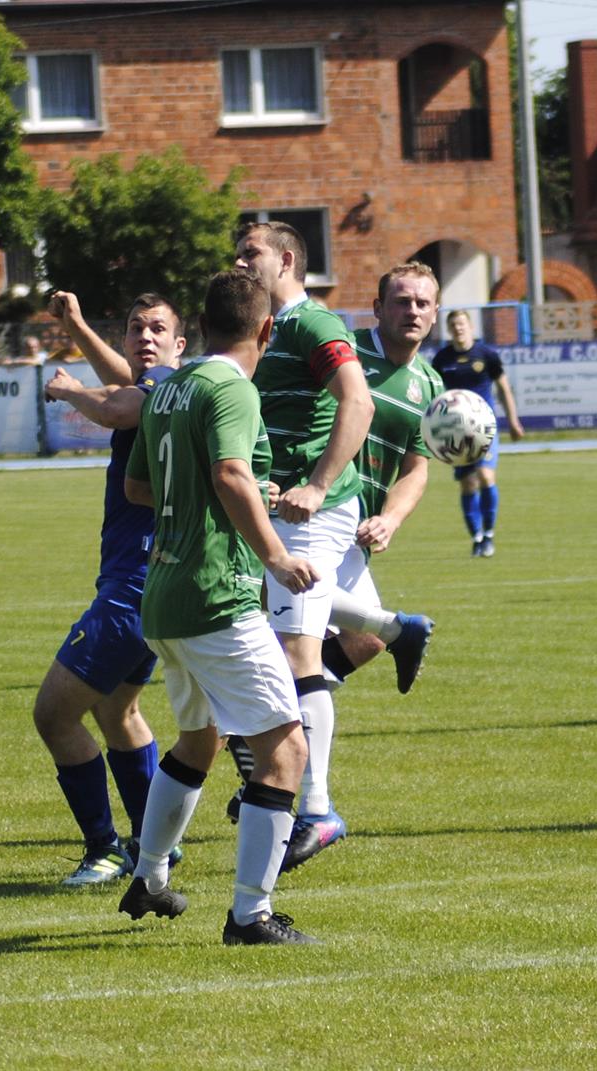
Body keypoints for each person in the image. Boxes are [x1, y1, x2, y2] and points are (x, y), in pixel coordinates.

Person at [119, 267, 321, 944]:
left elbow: (139, 486)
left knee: (200, 737)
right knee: (285, 749)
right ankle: (250, 915)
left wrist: (227, 494)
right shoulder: (232, 386)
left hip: (164, 597)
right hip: (215, 595)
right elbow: (231, 473)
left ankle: (148, 876)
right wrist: (276, 555)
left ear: (198, 326)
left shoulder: (168, 386)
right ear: (266, 329)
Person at [29, 290, 186, 885]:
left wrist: (69, 391)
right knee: (119, 711)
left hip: (133, 586)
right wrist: (77, 324)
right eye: (134, 328)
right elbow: (126, 385)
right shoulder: (160, 386)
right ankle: (157, 845)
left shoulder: (159, 391)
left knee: (54, 716)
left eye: (158, 329)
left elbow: (120, 407)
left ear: (179, 344)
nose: (144, 337)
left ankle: (106, 848)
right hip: (148, 577)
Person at [233, 220, 373, 869]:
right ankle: (271, 775)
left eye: (249, 253)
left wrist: (316, 485)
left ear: (286, 259)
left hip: (313, 513)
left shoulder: (314, 324)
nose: (238, 262)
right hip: (278, 508)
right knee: (263, 646)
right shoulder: (266, 332)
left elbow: (359, 402)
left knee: (294, 653)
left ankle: (315, 810)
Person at [324, 262, 446, 696]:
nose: (412, 311)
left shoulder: (430, 385)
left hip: (356, 532)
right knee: (365, 631)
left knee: (366, 637)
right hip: (317, 512)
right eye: (401, 302)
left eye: (422, 303)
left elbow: (417, 469)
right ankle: (263, 729)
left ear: (435, 313)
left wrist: (390, 520)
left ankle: (263, 727)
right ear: (377, 308)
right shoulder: (342, 353)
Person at [429, 309, 525, 557]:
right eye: (453, 325)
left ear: (471, 327)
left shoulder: (487, 355)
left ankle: (490, 534)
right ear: (449, 330)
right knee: (467, 484)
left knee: (484, 476)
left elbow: (504, 388)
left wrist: (513, 420)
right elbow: (434, 395)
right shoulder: (442, 359)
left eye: (462, 323)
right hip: (455, 433)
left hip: (485, 428)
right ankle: (477, 537)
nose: (458, 328)